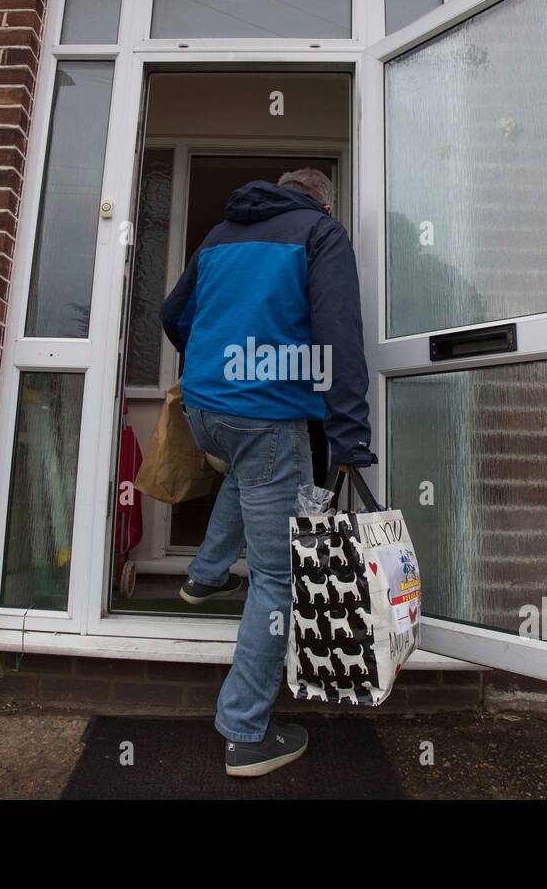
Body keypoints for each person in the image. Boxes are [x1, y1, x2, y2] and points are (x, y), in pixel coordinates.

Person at [160, 168, 375, 777]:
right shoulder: (321, 233)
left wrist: (212, 363)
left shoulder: (220, 234)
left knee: (252, 473)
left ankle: (203, 576)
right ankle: (245, 731)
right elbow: (339, 337)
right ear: (324, 199)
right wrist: (349, 435)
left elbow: (173, 313)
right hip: (266, 415)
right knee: (277, 581)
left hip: (206, 408)